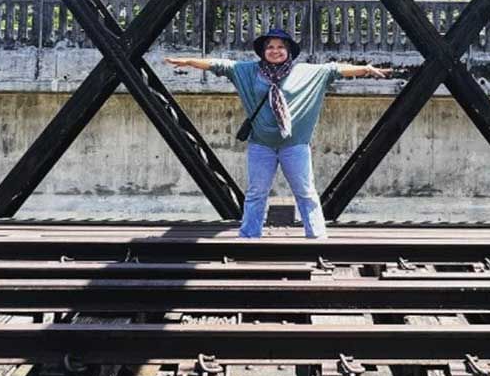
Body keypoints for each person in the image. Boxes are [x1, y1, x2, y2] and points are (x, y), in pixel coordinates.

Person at [165, 28, 390, 238]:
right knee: (256, 193)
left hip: (295, 145)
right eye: (270, 47)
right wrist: (188, 61)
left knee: (305, 192)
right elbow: (219, 65)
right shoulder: (248, 71)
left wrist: (366, 69)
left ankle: (317, 237)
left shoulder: (306, 73)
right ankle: (249, 238)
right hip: (261, 144)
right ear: (263, 52)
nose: (275, 51)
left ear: (289, 51)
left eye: (281, 47)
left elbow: (334, 69)